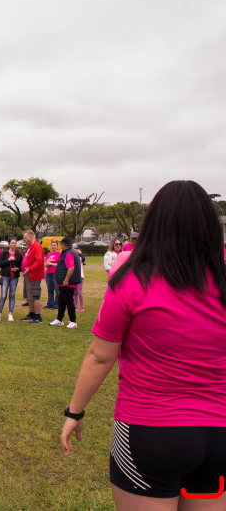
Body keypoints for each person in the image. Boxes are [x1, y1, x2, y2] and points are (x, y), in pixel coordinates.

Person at [61, 180, 226, 508]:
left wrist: (74, 412)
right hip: (219, 432)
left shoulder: (132, 280)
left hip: (148, 430)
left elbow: (99, 357)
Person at [48, 237, 81, 329]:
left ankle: (73, 321)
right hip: (63, 282)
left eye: (61, 243)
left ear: (64, 244)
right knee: (61, 301)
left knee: (69, 301)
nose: (60, 245)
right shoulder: (67, 252)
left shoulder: (69, 253)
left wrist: (66, 280)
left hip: (68, 283)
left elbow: (71, 267)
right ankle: (59, 319)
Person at [0, 238, 23, 322]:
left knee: (12, 295)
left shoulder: (18, 254)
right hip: (5, 276)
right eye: (12, 243)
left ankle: (10, 314)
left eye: (15, 243)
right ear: (8, 244)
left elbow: (22, 266)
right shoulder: (4, 253)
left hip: (14, 277)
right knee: (3, 295)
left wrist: (17, 269)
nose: (14, 244)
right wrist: (8, 260)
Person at [21, 230, 45, 324]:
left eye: (25, 237)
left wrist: (29, 269)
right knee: (29, 295)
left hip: (34, 275)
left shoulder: (37, 246)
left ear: (30, 237)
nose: (24, 239)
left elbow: (38, 261)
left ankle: (38, 316)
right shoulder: (29, 247)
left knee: (35, 295)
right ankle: (31, 314)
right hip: (28, 275)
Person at [44, 241, 61, 310]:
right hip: (48, 273)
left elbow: (60, 265)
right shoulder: (49, 254)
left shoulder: (59, 254)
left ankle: (56, 304)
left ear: (57, 246)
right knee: (50, 289)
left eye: (55, 245)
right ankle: (50, 304)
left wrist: (51, 264)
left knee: (57, 290)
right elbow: (45, 264)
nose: (53, 247)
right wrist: (46, 264)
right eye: (52, 245)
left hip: (55, 273)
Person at [73, 243, 85, 312]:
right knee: (75, 292)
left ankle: (81, 306)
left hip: (80, 276)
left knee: (79, 291)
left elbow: (83, 259)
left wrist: (80, 253)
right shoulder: (73, 257)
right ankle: (75, 305)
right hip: (74, 276)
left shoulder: (80, 258)